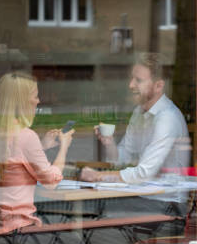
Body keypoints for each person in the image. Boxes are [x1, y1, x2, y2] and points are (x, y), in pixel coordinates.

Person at [80, 52, 190, 209]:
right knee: (92, 204)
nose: (131, 85)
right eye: (132, 79)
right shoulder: (139, 112)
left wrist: (98, 176)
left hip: (166, 203)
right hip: (143, 196)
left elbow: (144, 173)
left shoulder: (167, 118)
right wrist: (109, 143)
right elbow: (123, 159)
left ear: (158, 86)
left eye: (138, 80)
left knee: (92, 206)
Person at [0, 71, 74, 238]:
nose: (38, 101)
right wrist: (64, 147)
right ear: (22, 101)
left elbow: (15, 163)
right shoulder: (26, 136)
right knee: (75, 229)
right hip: (17, 226)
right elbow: (51, 182)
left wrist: (42, 147)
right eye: (35, 96)